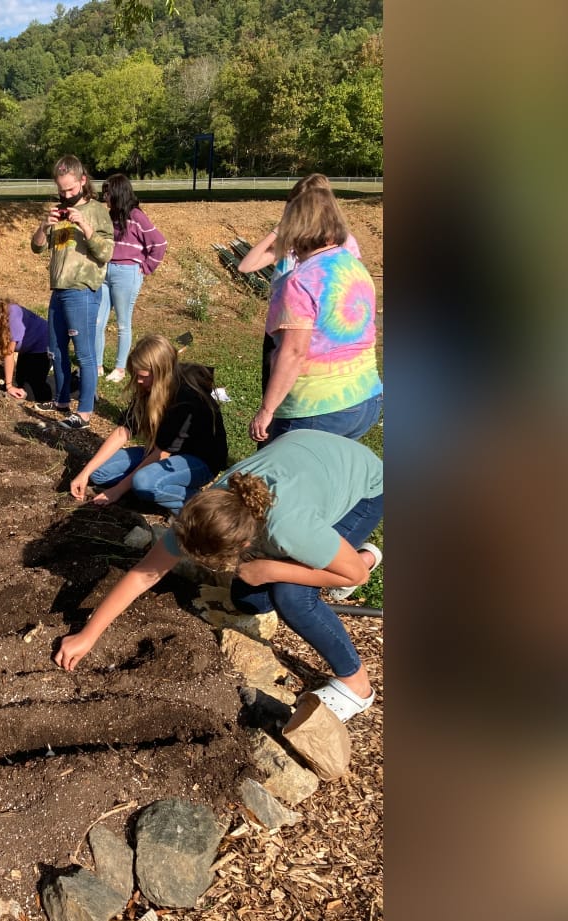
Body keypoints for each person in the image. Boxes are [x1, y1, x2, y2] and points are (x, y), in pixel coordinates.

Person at [56, 430, 383, 721]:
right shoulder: (205, 509)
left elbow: (354, 577)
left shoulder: (290, 528)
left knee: (290, 595)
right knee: (248, 599)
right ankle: (329, 554)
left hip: (364, 485)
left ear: (244, 543)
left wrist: (270, 568)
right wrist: (88, 634)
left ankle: (357, 684)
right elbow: (145, 573)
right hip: (307, 457)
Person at [247, 184, 382, 445]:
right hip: (365, 399)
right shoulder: (354, 267)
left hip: (316, 409)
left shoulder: (300, 280)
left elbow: (293, 353)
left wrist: (267, 411)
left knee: (285, 481)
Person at [68, 334, 228, 515]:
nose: (138, 381)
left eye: (143, 376)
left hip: (198, 461)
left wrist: (118, 490)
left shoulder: (186, 398)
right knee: (99, 473)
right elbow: (123, 431)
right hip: (163, 452)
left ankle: (199, 508)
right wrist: (85, 472)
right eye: (136, 375)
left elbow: (163, 452)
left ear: (161, 372)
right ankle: (155, 491)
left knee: (144, 482)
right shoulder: (147, 389)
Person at [30, 155, 114, 430]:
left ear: (83, 181)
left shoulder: (97, 210)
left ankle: (85, 412)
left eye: (70, 189)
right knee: (55, 350)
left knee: (84, 353)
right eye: (61, 190)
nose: (66, 194)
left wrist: (85, 227)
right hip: (59, 289)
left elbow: (105, 252)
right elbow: (37, 247)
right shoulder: (57, 211)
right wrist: (44, 225)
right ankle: (61, 400)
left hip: (82, 291)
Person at [94, 174, 167, 383]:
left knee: (123, 323)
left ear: (118, 192)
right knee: (98, 320)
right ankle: (97, 365)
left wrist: (145, 267)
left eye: (107, 192)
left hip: (127, 273)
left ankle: (119, 368)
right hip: (105, 271)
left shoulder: (136, 216)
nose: (104, 196)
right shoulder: (110, 216)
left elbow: (159, 243)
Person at [237, 173, 362, 278]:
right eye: (291, 202)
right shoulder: (290, 243)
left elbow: (352, 287)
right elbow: (245, 267)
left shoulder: (343, 243)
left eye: (300, 205)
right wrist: (279, 229)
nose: (293, 209)